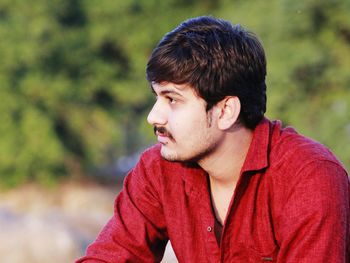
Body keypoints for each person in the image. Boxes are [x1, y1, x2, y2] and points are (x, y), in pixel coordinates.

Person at [76, 16, 349, 262]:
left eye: (172, 99)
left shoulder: (309, 178)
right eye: (157, 97)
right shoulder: (158, 169)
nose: (153, 116)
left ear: (226, 111)